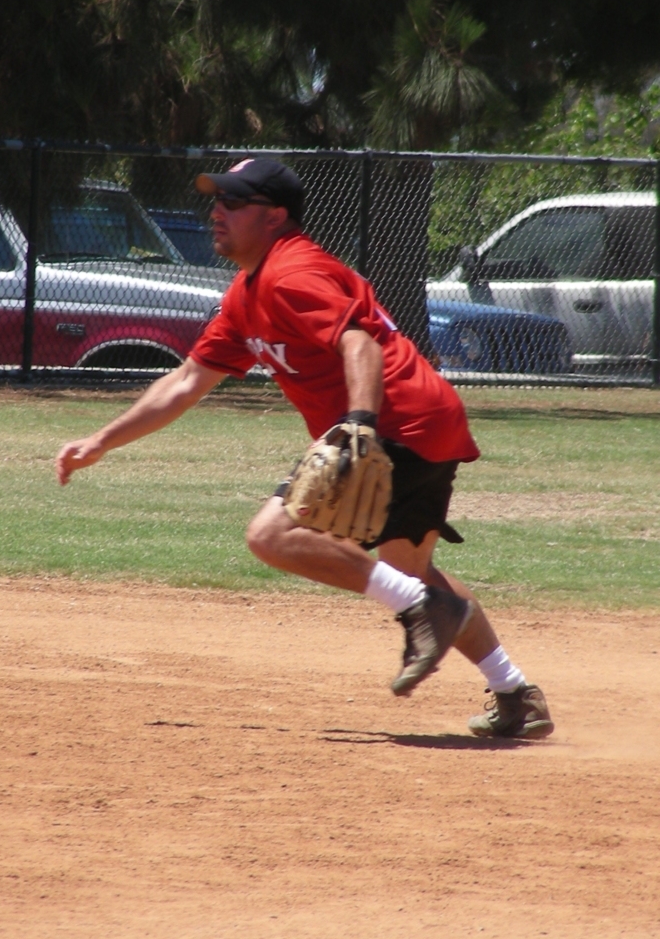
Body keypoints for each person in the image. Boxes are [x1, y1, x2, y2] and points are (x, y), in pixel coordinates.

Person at [56, 158, 554, 739]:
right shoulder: (246, 293)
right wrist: (100, 441)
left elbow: (360, 344)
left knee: (273, 535)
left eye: (233, 202)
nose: (216, 212)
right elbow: (186, 380)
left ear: (275, 217)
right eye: (216, 200)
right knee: (410, 574)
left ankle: (426, 612)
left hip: (394, 420)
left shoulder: (292, 274)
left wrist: (360, 426)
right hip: (427, 420)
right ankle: (516, 693)